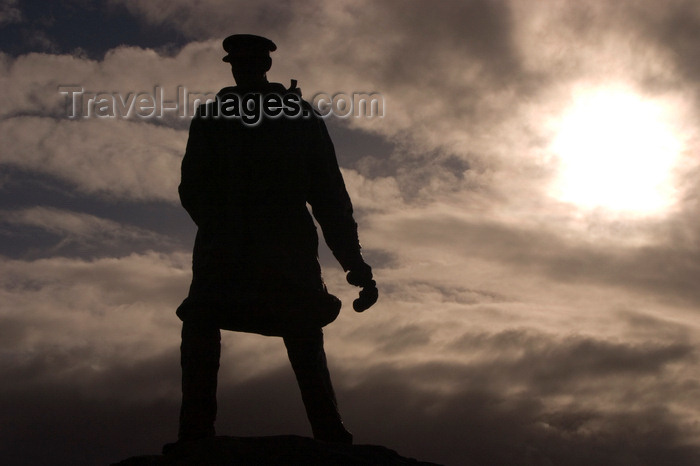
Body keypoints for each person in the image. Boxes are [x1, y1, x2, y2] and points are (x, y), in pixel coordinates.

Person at [169, 34, 378, 450]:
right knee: (202, 322)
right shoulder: (215, 118)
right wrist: (222, 225)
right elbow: (192, 186)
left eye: (249, 63)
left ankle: (330, 431)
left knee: (301, 331)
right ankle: (195, 433)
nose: (243, 70)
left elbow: (329, 197)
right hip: (231, 249)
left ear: (264, 66)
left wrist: (354, 263)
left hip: (278, 250)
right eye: (237, 64)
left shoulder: (296, 118)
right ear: (232, 67)